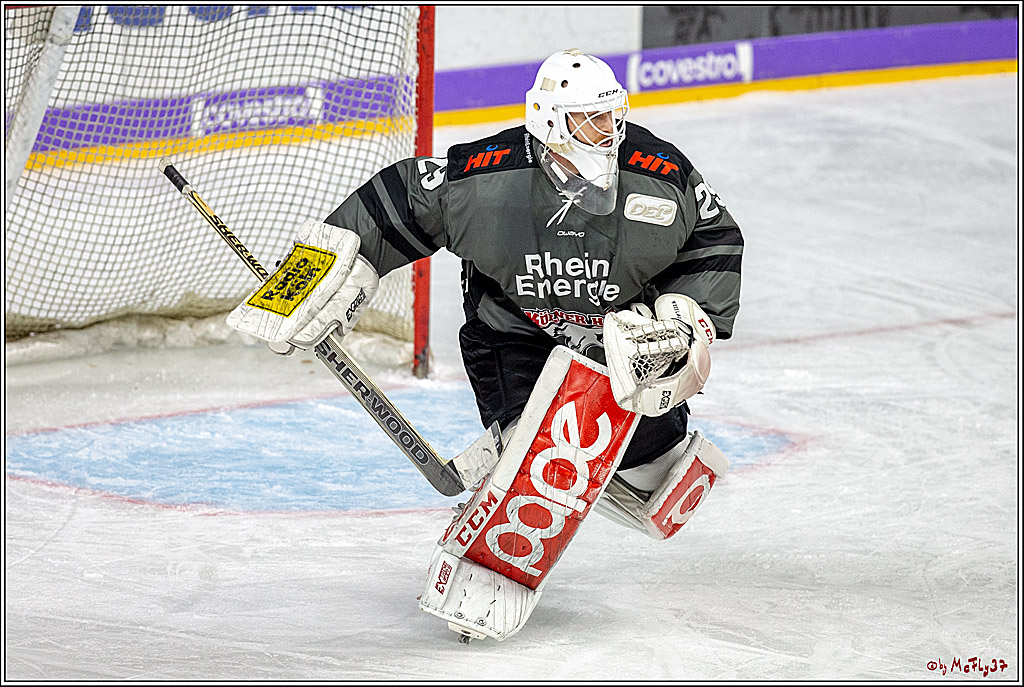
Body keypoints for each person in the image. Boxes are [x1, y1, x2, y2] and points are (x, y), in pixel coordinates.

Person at [228, 49, 743, 641]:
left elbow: (716, 236)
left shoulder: (659, 175)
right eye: (589, 120)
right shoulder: (487, 178)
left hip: (617, 339)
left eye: (612, 117)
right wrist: (313, 276)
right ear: (549, 121)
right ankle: (485, 549)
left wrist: (686, 322)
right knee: (551, 454)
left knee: (658, 467)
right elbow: (400, 196)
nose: (608, 133)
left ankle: (621, 460)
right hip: (511, 336)